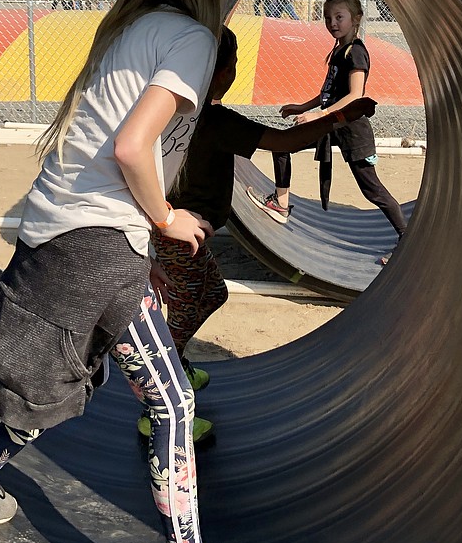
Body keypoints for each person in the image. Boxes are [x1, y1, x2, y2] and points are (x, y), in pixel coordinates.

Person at [0, 0, 294, 543]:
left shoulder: (126, 30)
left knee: (60, 379)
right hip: (98, 240)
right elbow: (131, 146)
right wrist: (165, 216)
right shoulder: (189, 37)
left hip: (60, 231)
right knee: (172, 401)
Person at [148, 26, 376, 436]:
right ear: (219, 72)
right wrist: (340, 117)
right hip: (180, 234)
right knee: (179, 316)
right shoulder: (217, 120)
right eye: (232, 64)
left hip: (179, 231)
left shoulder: (177, 112)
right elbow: (284, 143)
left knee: (212, 293)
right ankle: (161, 408)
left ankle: (172, 365)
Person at [248, 0, 407, 263]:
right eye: (327, 18)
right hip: (332, 125)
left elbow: (355, 96)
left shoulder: (356, 52)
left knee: (373, 190)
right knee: (282, 143)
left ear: (356, 19)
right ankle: (281, 204)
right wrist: (302, 108)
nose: (332, 22)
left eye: (339, 17)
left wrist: (318, 116)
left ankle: (407, 241)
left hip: (351, 128)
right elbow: (330, 93)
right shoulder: (339, 50)